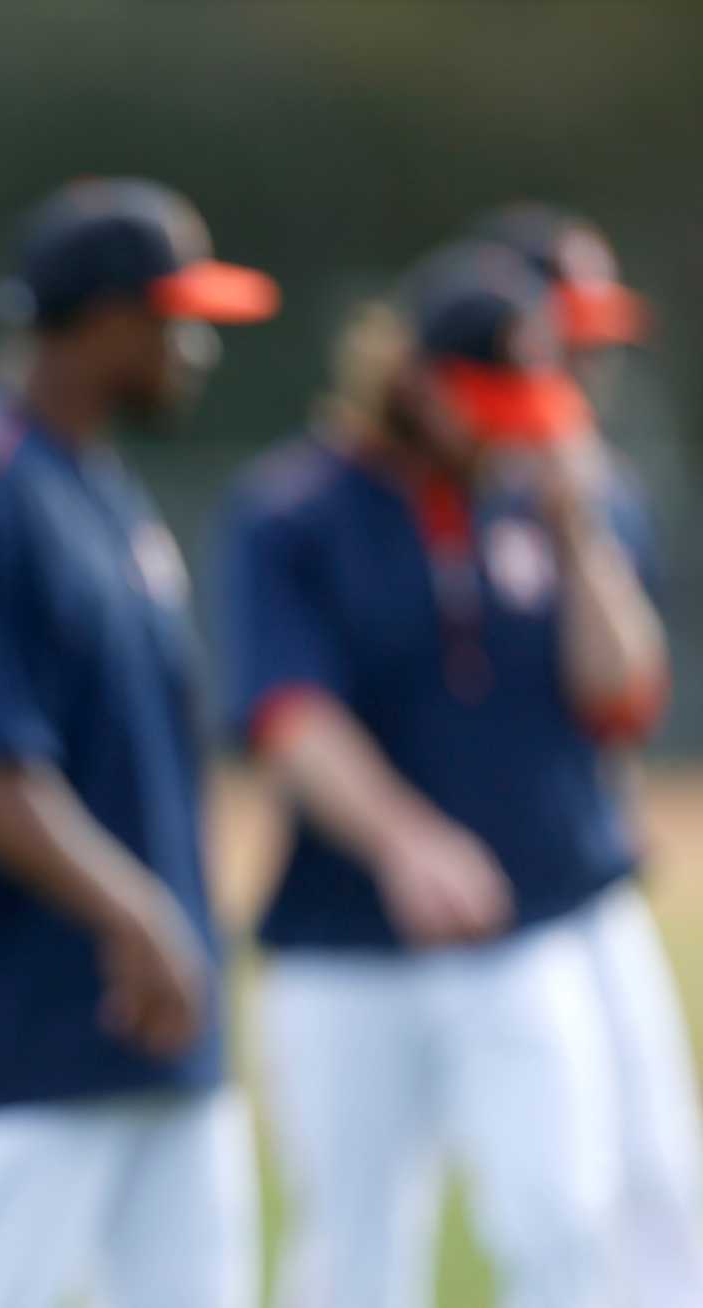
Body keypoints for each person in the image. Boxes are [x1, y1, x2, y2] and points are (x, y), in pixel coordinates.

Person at [218, 240, 676, 1307]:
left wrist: (573, 533)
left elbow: (622, 696)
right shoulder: (295, 510)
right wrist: (404, 838)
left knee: (563, 1225)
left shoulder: (556, 499)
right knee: (351, 1256)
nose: (506, 427)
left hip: (528, 926)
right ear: (417, 382)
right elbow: (287, 714)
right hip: (343, 941)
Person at [0, 178, 276, 1308]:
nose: (193, 350)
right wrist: (137, 914)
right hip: (10, 1028)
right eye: (173, 320)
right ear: (100, 322)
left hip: (154, 1022)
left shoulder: (92, 481)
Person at [472, 203, 703, 1307]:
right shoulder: (438, 480)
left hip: (584, 868)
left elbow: (622, 694)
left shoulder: (596, 483)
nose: (589, 354)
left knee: (659, 1173)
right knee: (540, 1201)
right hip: (455, 899)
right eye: (566, 330)